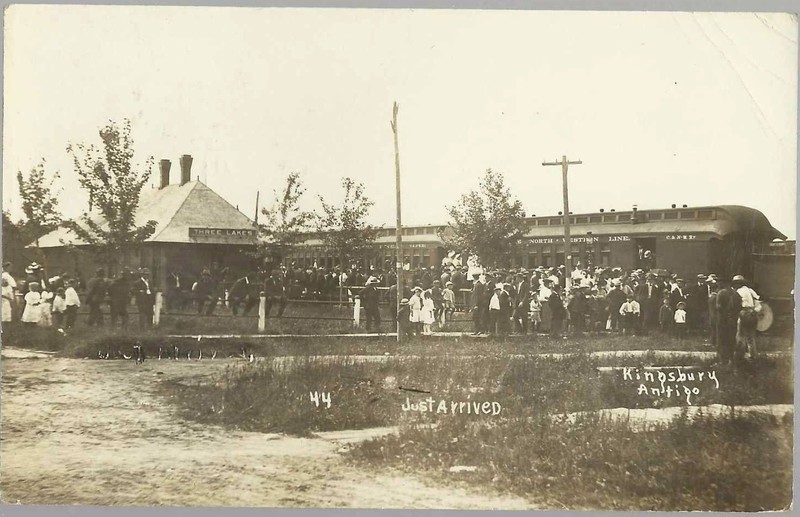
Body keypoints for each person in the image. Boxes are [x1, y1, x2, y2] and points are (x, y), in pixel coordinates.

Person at [715, 277, 742, 366]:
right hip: (733, 320)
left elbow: (718, 307)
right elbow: (739, 307)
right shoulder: (736, 294)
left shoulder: (721, 293)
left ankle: (723, 361)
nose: (718, 284)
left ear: (724, 283)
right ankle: (731, 359)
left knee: (722, 340)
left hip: (722, 320)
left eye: (719, 282)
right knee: (731, 339)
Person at [733, 274, 760, 358]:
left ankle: (740, 354)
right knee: (751, 335)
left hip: (743, 312)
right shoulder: (750, 290)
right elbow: (758, 303)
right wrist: (755, 311)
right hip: (752, 313)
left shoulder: (738, 292)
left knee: (740, 334)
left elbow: (736, 304)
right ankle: (753, 354)